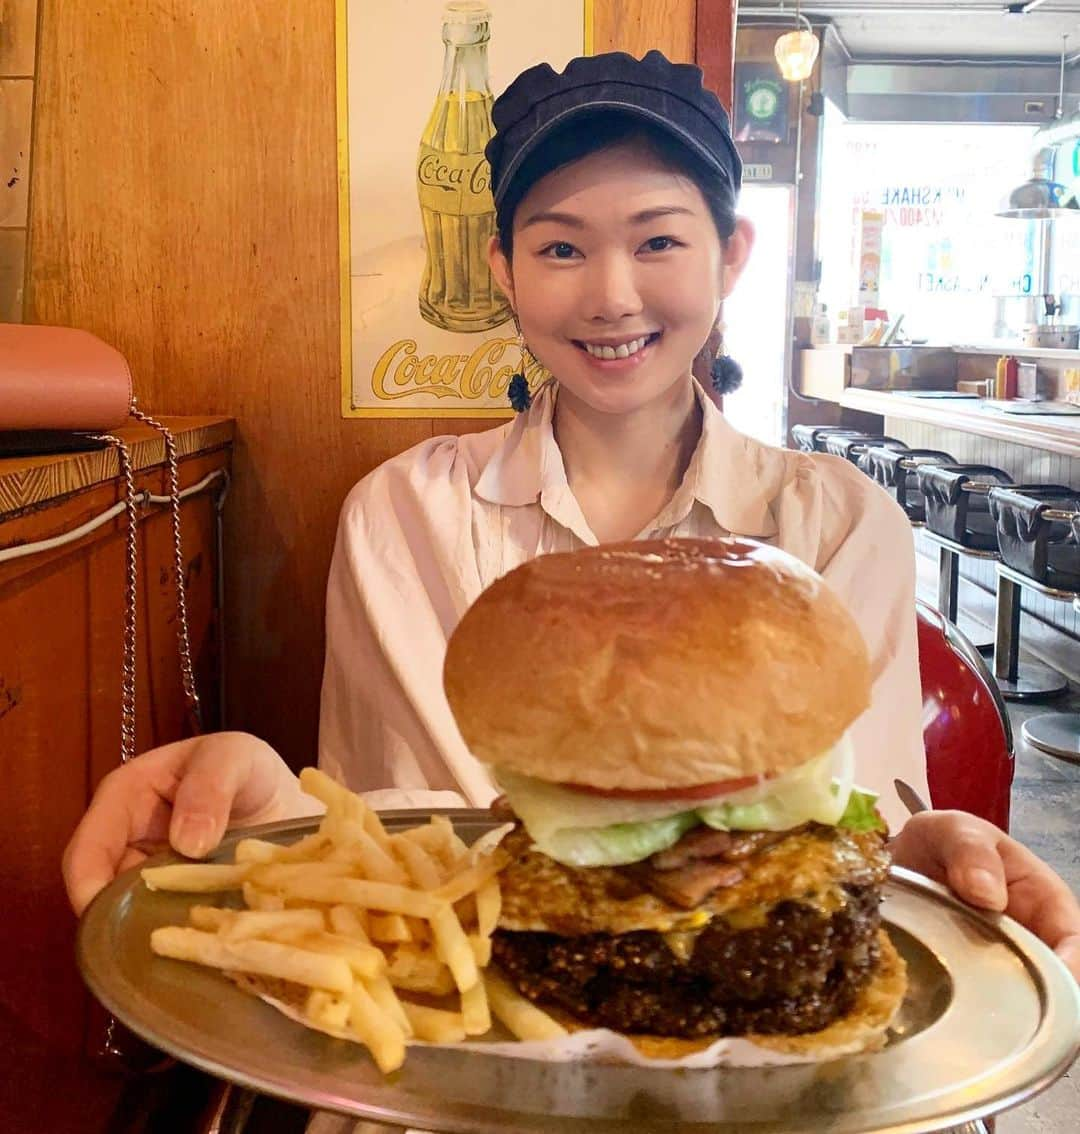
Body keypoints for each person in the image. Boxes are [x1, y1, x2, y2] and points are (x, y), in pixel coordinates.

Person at [64, 50, 1080, 995]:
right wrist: (268, 809)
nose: (612, 294)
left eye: (659, 241)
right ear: (503, 268)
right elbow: (401, 843)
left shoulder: (839, 523)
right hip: (462, 1063)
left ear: (730, 256)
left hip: (759, 1048)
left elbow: (853, 828)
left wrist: (934, 854)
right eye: (560, 246)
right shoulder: (404, 517)